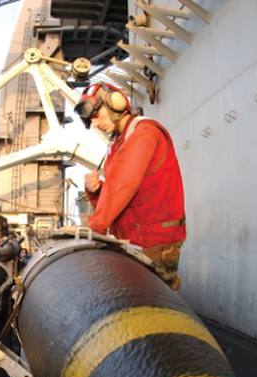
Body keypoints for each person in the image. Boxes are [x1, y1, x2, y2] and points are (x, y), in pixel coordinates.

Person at [74, 82, 186, 291]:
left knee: (150, 302)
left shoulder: (144, 133)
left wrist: (93, 228)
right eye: (91, 121)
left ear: (115, 104)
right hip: (135, 240)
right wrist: (97, 191)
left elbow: (123, 185)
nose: (96, 124)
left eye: (97, 116)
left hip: (154, 242)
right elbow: (118, 197)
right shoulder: (119, 143)